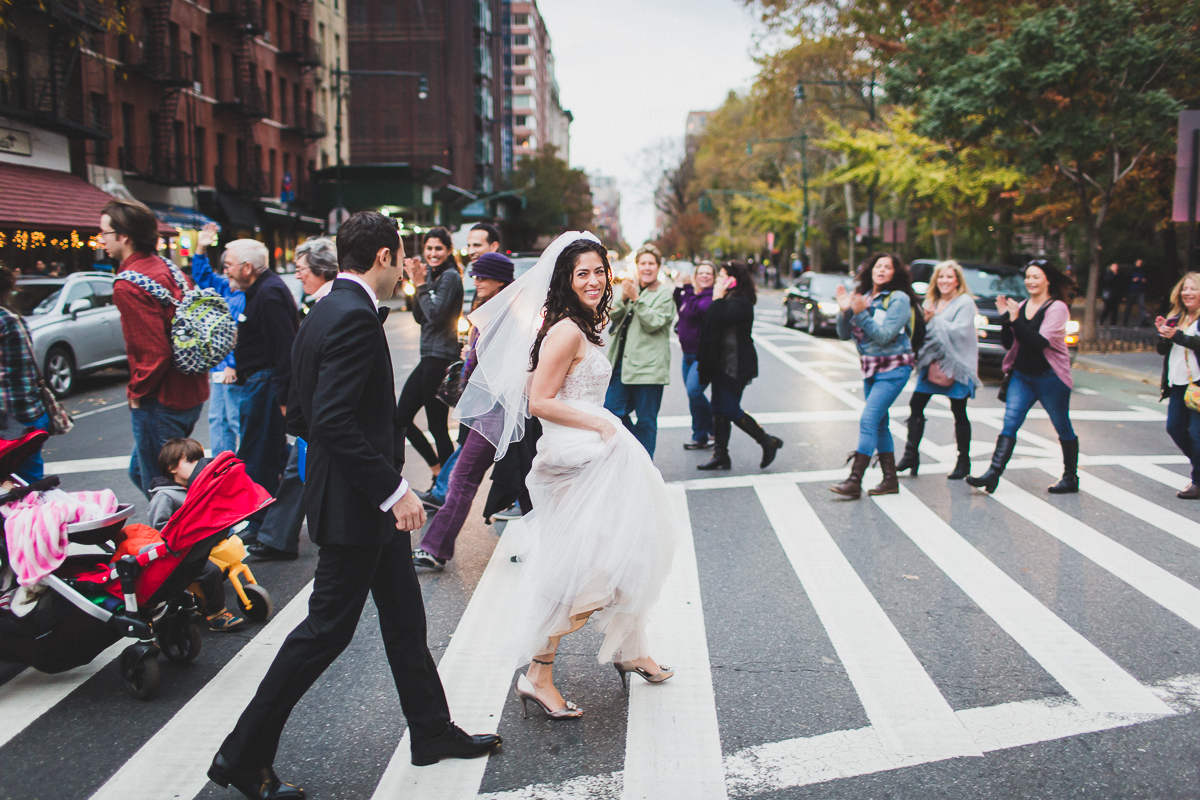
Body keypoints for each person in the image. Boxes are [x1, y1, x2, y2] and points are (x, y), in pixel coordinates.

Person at [211, 212, 499, 800]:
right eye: (404, 256)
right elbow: (335, 420)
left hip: (355, 499)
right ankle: (241, 756)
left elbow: (301, 411)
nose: (407, 269)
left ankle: (431, 731)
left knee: (403, 621)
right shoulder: (352, 317)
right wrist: (394, 491)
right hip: (360, 505)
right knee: (322, 633)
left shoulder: (322, 310)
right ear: (387, 255)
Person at [456, 232, 677, 721]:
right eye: (584, 273)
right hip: (576, 461)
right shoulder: (566, 331)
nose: (595, 280)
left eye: (600, 271)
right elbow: (539, 401)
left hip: (588, 454)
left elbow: (535, 382)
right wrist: (599, 421)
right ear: (566, 278)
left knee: (625, 553)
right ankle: (538, 674)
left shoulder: (576, 324)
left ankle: (630, 649)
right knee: (583, 573)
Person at [412, 252, 516, 570]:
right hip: (486, 408)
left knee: (463, 478)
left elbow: (506, 364)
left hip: (496, 411)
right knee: (525, 479)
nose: (476, 281)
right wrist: (470, 352)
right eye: (475, 276)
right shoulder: (491, 310)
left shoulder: (507, 315)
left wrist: (474, 356)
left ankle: (435, 547)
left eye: (483, 277)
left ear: (501, 280)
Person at [104, 199, 209, 500]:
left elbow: (153, 353)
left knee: (161, 487)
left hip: (160, 399)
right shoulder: (169, 269)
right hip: (191, 390)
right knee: (142, 472)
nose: (103, 241)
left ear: (124, 236)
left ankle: (183, 542)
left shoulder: (128, 285)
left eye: (105, 234)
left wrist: (136, 393)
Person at [248, 237, 339, 562]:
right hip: (315, 408)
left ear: (321, 269)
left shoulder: (331, 303)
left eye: (302, 269)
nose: (298, 275)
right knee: (298, 468)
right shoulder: (320, 301)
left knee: (299, 468)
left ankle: (279, 536)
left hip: (319, 409)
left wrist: (294, 403)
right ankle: (277, 536)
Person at [967, 262, 1078, 494]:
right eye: (1027, 276)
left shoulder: (1057, 308)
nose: (1030, 281)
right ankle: (992, 474)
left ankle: (1070, 477)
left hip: (1051, 378)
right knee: (1010, 423)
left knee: (1062, 426)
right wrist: (1005, 318)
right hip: (1022, 376)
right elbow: (1010, 343)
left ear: (1047, 280)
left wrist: (1015, 319)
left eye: (1036, 277)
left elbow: (1039, 342)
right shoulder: (1024, 305)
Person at [416, 223, 503, 511]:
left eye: (478, 245)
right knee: (468, 441)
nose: (472, 251)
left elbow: (435, 316)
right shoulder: (478, 284)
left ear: (493, 246)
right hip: (474, 377)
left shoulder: (496, 286)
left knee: (476, 445)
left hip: (489, 383)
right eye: (470, 245)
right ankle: (443, 489)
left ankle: (443, 490)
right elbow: (422, 316)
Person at [222, 239, 298, 542]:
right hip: (259, 382)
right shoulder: (261, 291)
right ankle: (272, 521)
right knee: (272, 454)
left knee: (257, 456)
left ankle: (262, 524)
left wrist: (283, 397)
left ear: (247, 267)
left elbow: (284, 348)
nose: (225, 270)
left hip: (266, 385)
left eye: (228, 264)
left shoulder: (268, 294)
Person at [830, 253, 917, 499]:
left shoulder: (898, 299)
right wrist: (845, 311)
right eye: (878, 265)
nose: (881, 270)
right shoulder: (865, 297)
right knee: (879, 423)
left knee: (868, 420)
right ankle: (890, 480)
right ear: (870, 270)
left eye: (887, 267)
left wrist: (861, 314)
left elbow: (884, 335)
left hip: (894, 368)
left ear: (895, 273)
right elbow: (844, 334)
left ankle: (855, 480)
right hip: (870, 368)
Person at [147, 437, 247, 631]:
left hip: (199, 544)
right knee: (211, 571)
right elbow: (159, 527)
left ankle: (203, 599)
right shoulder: (165, 495)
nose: (197, 465)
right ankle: (217, 614)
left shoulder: (196, 487)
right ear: (172, 468)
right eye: (190, 461)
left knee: (224, 560)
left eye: (199, 460)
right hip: (179, 553)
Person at [895, 260, 981, 480]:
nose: (944, 281)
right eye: (941, 277)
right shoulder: (931, 300)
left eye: (949, 277)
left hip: (957, 364)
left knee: (959, 411)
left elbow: (961, 333)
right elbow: (921, 331)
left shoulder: (965, 303)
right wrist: (924, 322)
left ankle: (964, 462)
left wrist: (934, 321)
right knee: (916, 404)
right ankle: (910, 455)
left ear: (957, 281)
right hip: (931, 363)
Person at [695, 261, 783, 471]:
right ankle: (721, 455)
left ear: (733, 280)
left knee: (730, 408)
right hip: (720, 362)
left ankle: (767, 441)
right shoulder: (728, 298)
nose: (717, 281)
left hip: (735, 365)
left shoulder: (741, 302)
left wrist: (717, 296)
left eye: (721, 277)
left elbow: (717, 318)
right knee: (718, 410)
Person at [397, 227, 463, 483]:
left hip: (441, 357)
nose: (433, 253)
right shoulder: (431, 277)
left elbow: (434, 317)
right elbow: (419, 316)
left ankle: (445, 484)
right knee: (401, 418)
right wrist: (417, 283)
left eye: (438, 248)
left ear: (448, 251)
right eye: (429, 248)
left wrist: (421, 283)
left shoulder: (449, 277)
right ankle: (438, 471)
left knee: (437, 426)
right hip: (428, 357)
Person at [604, 243, 675, 457]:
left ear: (658, 267)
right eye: (642, 263)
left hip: (649, 368)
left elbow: (654, 323)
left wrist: (636, 298)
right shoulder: (630, 287)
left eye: (651, 263)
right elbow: (613, 315)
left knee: (645, 420)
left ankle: (644, 467)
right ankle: (634, 451)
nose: (646, 267)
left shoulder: (664, 294)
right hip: (621, 363)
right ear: (637, 266)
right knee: (611, 412)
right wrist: (624, 298)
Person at [190, 223, 244, 457]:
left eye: (229, 266)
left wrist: (232, 363)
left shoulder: (246, 294)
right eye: (224, 267)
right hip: (221, 367)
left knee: (235, 420)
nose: (225, 272)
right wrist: (201, 246)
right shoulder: (226, 288)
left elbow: (240, 332)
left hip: (232, 369)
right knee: (219, 421)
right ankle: (224, 469)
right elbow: (203, 276)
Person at [0, 264, 49, 480]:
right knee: (29, 485)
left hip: (14, 421)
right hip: (26, 416)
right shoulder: (10, 318)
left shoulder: (5, 320)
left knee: (27, 489)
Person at [1156, 272, 1200, 499]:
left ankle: (1197, 482)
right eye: (1185, 289)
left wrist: (1178, 336)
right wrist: (1164, 333)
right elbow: (1162, 349)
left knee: (1197, 435)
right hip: (1178, 383)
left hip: (1198, 385)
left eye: (1193, 288)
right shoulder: (1176, 317)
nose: (1188, 293)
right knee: (1174, 427)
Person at [673, 261, 715, 449]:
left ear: (714, 278)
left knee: (694, 391)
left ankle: (712, 425)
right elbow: (682, 306)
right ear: (696, 275)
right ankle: (700, 436)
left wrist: (688, 287)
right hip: (687, 355)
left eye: (709, 274)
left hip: (702, 356)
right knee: (693, 396)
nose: (705, 276)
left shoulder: (711, 297)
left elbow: (699, 310)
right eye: (701, 273)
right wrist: (678, 289)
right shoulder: (692, 295)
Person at [1101, 262, 1126, 326]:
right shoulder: (1108, 274)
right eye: (1114, 267)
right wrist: (1114, 276)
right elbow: (1107, 282)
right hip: (1109, 294)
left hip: (1116, 294)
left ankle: (1113, 323)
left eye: (1116, 267)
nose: (1115, 268)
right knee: (1107, 309)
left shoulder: (1119, 275)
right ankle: (1101, 321)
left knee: (1115, 310)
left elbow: (1121, 285)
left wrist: (1122, 295)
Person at [1126, 258, 1149, 327]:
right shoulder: (1131, 271)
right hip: (1132, 290)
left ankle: (1144, 321)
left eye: (1140, 263)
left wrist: (1144, 281)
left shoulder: (1143, 271)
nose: (1139, 264)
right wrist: (1132, 280)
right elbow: (1126, 280)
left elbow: (1146, 280)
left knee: (1142, 306)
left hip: (1140, 290)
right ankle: (1125, 321)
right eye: (1138, 263)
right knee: (1129, 307)